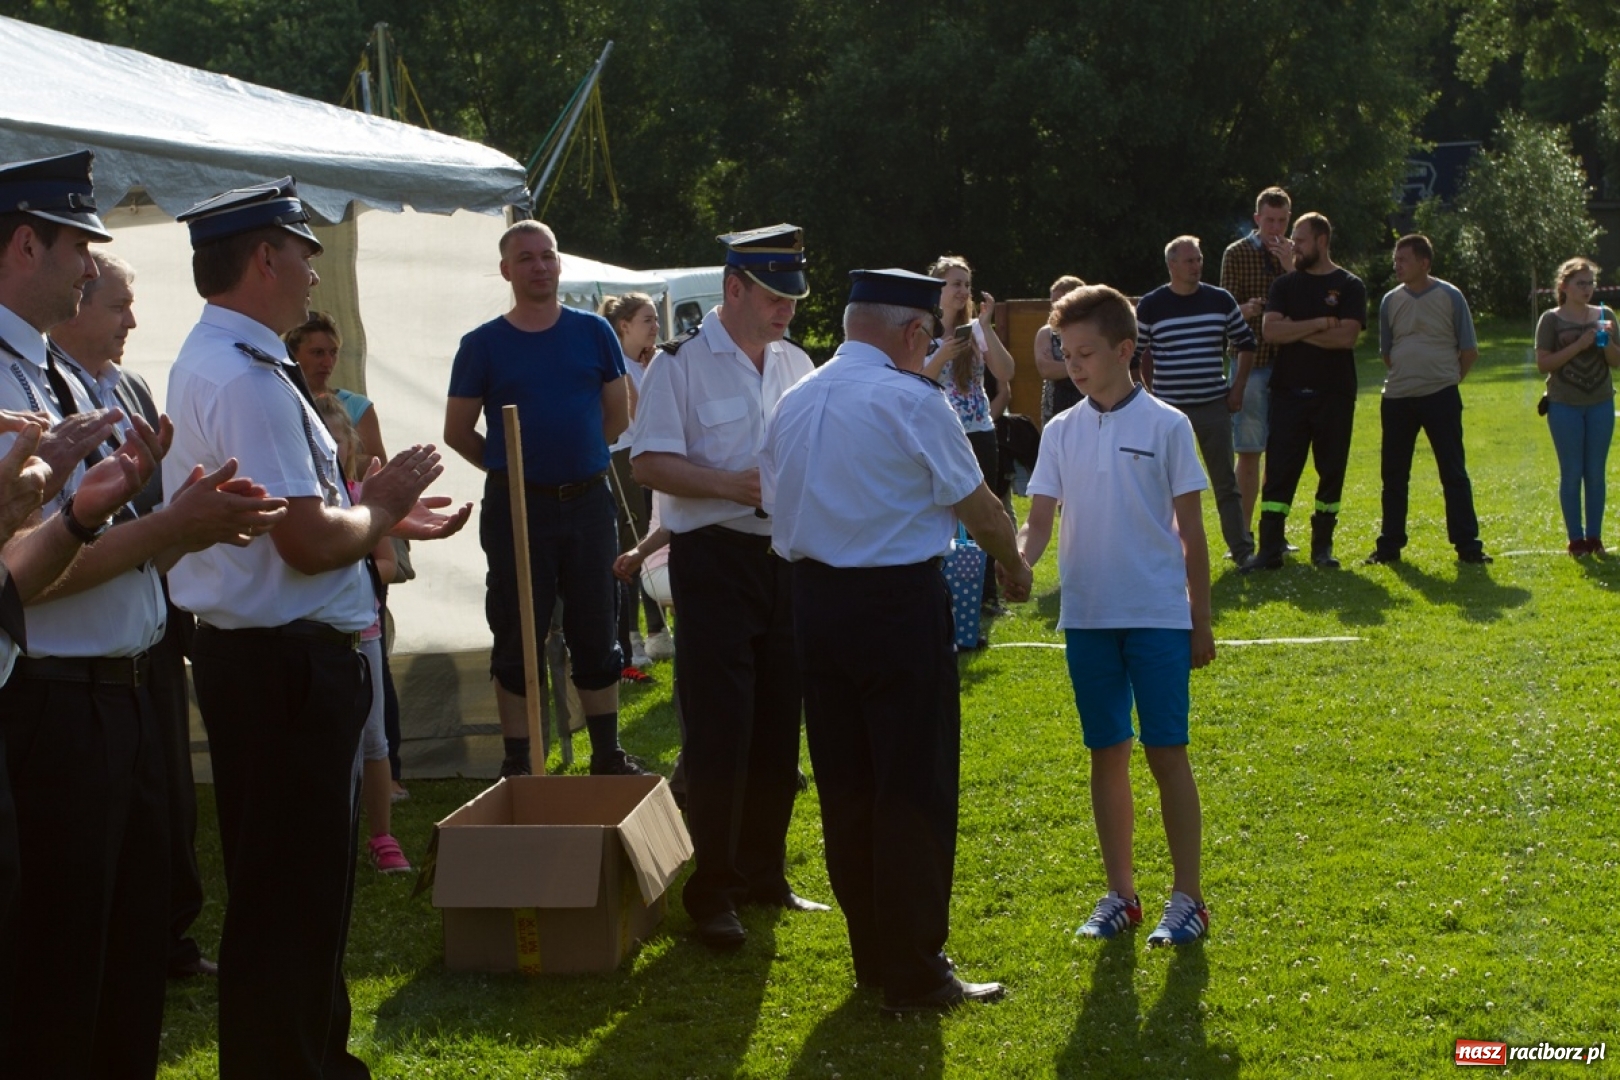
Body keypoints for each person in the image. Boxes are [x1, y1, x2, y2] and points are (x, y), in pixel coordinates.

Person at [165, 175, 469, 1080]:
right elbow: (301, 543)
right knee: (289, 903)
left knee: (298, 898)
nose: (311, 269)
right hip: (283, 668)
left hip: (276, 662)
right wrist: (375, 509)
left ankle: (312, 1057)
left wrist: (370, 515)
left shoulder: (235, 362)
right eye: (303, 252)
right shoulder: (248, 378)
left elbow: (300, 514)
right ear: (264, 257)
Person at [0, 150, 289, 1077]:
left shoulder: (65, 377)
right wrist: (170, 521)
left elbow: (106, 541)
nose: (93, 269)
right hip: (51, 701)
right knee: (58, 974)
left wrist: (190, 525)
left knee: (128, 962)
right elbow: (29, 571)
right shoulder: (12, 391)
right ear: (21, 243)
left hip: (122, 693)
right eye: (79, 246)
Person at [761, 268, 1031, 1012]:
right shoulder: (911, 400)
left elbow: (773, 499)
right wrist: (1013, 565)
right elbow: (978, 506)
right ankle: (914, 967)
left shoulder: (795, 398)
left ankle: (875, 958)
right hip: (894, 604)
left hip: (813, 603)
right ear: (915, 335)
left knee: (848, 785)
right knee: (912, 784)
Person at [632, 224, 826, 951]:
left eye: (794, 298)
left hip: (784, 557)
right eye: (775, 295)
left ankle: (763, 874)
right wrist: (729, 486)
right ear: (734, 288)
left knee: (779, 722)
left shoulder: (797, 362)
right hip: (712, 558)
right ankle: (710, 888)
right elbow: (649, 463)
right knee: (719, 730)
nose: (787, 310)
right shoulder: (678, 365)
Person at [1018, 283, 1214, 947]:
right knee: (1107, 753)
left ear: (1124, 350)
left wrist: (1202, 619)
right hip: (1089, 619)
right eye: (1064, 353)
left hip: (1158, 615)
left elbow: (1192, 530)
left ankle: (1187, 897)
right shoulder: (1060, 430)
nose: (1073, 365)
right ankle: (1121, 895)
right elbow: (1038, 521)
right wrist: (1016, 562)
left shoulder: (1168, 425)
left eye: (1085, 353)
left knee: (1167, 753)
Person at [50, 249, 222, 979]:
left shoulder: (132, 386)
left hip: (148, 627)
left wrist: (177, 531)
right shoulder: (45, 389)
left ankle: (166, 937)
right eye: (117, 305)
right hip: (71, 658)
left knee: (165, 800)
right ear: (76, 306)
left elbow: (150, 507)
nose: (131, 321)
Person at [443, 220, 645, 778]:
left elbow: (616, 416)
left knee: (596, 623)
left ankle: (607, 755)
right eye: (526, 258)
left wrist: (575, 459)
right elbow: (457, 430)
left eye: (547, 256)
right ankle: (518, 762)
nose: (539, 267)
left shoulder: (594, 334)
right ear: (507, 271)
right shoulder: (482, 345)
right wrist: (509, 469)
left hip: (587, 503)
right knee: (516, 629)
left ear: (560, 265)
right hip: (517, 508)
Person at [288, 312, 409, 799]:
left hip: (358, 525)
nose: (326, 361)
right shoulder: (286, 400)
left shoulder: (356, 406)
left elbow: (373, 465)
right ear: (295, 354)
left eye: (333, 352)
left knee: (376, 666)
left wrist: (369, 510)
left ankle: (386, 769)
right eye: (317, 351)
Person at [313, 395, 408, 873]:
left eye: (338, 441)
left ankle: (382, 837)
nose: (331, 449)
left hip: (363, 634)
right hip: (317, 638)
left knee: (374, 741)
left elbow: (388, 563)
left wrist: (355, 558)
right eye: (321, 443)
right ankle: (333, 835)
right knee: (328, 743)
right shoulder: (303, 505)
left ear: (352, 445)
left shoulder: (364, 499)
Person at [1242, 212, 1366, 571]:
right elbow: (1271, 332)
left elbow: (1346, 337)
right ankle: (1269, 550)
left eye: (1302, 239)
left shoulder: (1349, 285)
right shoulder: (1285, 285)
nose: (1294, 245)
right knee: (1279, 470)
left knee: (1331, 470)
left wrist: (1295, 329)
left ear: (1322, 241)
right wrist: (1319, 324)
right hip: (1288, 393)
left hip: (1334, 393)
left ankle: (1322, 548)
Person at [1367, 234, 1491, 565]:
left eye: (1403, 259)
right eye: (1395, 259)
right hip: (1396, 399)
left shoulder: (1450, 296)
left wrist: (1445, 380)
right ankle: (1389, 546)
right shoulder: (1390, 301)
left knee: (1453, 472)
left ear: (1424, 263)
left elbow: (1469, 350)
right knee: (1393, 475)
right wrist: (1410, 376)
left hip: (1441, 396)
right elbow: (1387, 352)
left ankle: (1468, 546)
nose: (1397, 265)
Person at [1135, 236, 1256, 562]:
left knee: (1225, 483)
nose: (1196, 266)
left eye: (1199, 259)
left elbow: (1246, 343)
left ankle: (1242, 551)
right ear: (1172, 265)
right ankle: (1165, 553)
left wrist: (1238, 388)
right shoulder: (1152, 304)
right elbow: (1132, 355)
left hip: (1213, 405)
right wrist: (1144, 397)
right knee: (1163, 486)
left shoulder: (1219, 300)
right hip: (1169, 412)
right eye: (1189, 261)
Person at [923, 255, 1016, 613]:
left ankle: (986, 594)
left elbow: (1006, 370)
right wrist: (942, 354)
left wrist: (987, 326)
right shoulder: (921, 330)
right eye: (955, 283)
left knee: (985, 510)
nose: (962, 290)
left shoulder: (977, 330)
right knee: (941, 510)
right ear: (938, 289)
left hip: (979, 430)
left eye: (966, 284)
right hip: (939, 432)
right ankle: (945, 585)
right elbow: (913, 381)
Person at [1220, 186, 1295, 537]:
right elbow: (1224, 310)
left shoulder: (1297, 254)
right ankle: (1243, 533)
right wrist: (1245, 309)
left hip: (1289, 363)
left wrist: (1290, 266)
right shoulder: (1235, 253)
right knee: (1249, 451)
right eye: (1269, 220)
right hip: (1250, 363)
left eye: (1282, 221)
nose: (1276, 228)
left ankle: (1273, 533)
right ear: (1256, 219)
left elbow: (1306, 303)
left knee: (1282, 454)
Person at [601, 291, 668, 676]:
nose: (655, 327)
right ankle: (631, 638)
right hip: (624, 458)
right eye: (648, 320)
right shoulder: (618, 365)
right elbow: (638, 417)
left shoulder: (651, 362)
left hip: (650, 456)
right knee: (632, 543)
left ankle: (657, 629)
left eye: (656, 319)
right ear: (624, 326)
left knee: (650, 536)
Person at [1535, 257, 1620, 556]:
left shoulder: (1604, 315)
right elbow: (1543, 363)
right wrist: (1579, 345)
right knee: (1572, 472)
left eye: (1591, 283)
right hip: (1564, 404)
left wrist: (1605, 342)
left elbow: (1616, 361)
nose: (1587, 289)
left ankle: (1595, 538)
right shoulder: (1551, 319)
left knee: (1595, 473)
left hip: (1600, 403)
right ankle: (1576, 540)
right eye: (1580, 283)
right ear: (1564, 286)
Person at [1035, 275, 1086, 423]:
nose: (1055, 308)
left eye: (1060, 302)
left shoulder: (1091, 332)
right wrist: (1084, 365)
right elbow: (1046, 369)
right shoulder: (1046, 333)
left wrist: (1062, 367)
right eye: (1053, 303)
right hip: (1056, 409)